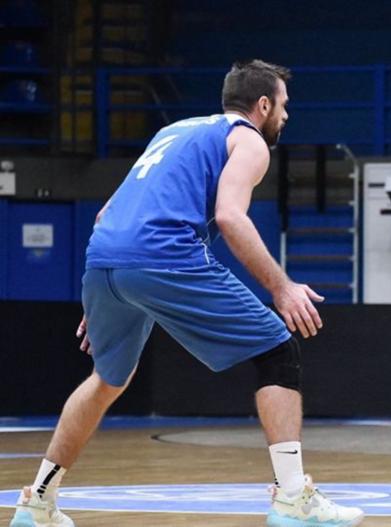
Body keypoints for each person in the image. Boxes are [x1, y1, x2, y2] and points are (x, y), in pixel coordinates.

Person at [9, 60, 363, 527]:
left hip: (105, 259)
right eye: (283, 105)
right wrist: (282, 288)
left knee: (106, 381)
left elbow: (105, 215)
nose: (286, 115)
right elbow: (230, 216)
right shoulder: (249, 141)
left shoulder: (173, 132)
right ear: (262, 105)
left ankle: (37, 503)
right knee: (278, 349)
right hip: (164, 254)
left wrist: (108, 292)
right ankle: (293, 499)